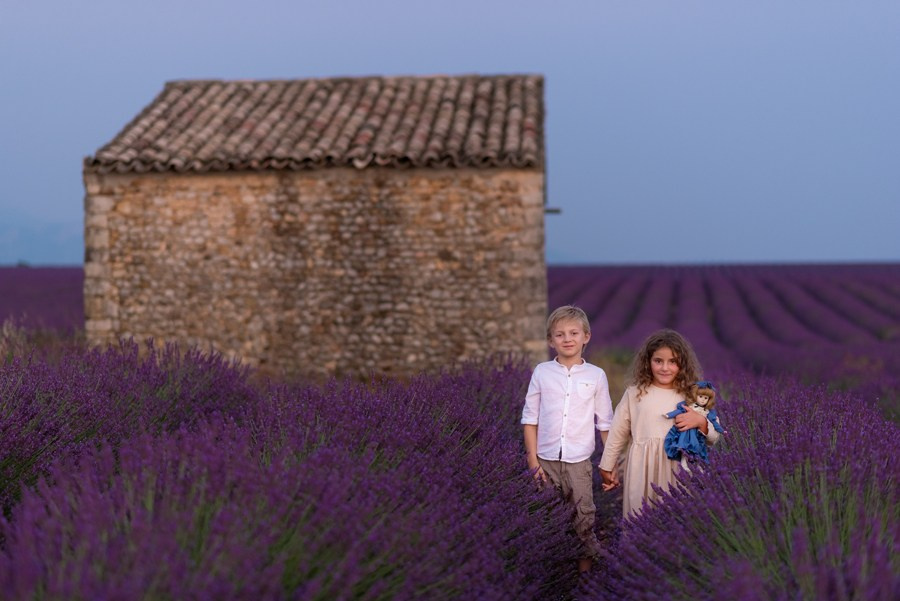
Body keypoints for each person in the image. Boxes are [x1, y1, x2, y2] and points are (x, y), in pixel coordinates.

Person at [522, 305, 614, 573]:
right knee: (546, 518)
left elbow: (605, 422)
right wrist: (532, 461)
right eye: (560, 334)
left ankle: (584, 578)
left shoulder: (596, 376)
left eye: (574, 333)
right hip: (545, 461)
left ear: (587, 336)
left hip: (578, 462)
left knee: (583, 518)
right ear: (551, 341)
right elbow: (530, 419)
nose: (567, 339)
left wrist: (609, 463)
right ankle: (552, 575)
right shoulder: (542, 372)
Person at [597, 329, 721, 518]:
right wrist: (607, 465)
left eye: (673, 362)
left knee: (677, 517)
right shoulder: (635, 393)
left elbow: (715, 435)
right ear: (648, 362)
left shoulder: (692, 395)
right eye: (658, 361)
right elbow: (617, 433)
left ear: (683, 364)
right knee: (639, 515)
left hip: (679, 467)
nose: (665, 368)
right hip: (642, 469)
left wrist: (700, 422)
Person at [662, 380, 725, 463]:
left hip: (696, 435)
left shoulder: (707, 412)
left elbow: (715, 427)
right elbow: (678, 411)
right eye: (701, 397)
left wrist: (721, 430)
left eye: (706, 398)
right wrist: (669, 415)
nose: (703, 400)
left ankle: (689, 461)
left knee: (693, 449)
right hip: (684, 434)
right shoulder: (689, 405)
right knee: (684, 445)